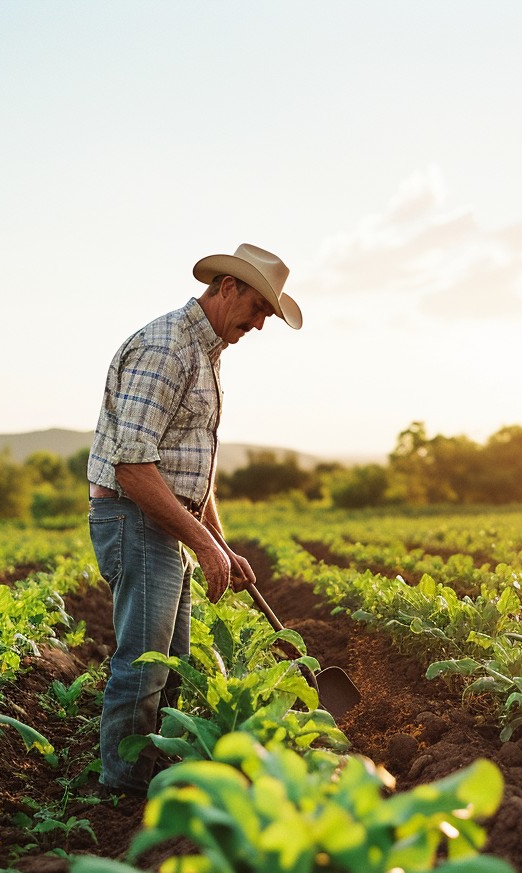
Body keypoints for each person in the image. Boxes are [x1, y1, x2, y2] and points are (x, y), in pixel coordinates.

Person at [86, 243, 302, 796]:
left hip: (165, 522)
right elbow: (133, 467)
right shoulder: (167, 348)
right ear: (227, 288)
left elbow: (189, 471)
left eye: (267, 318)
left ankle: (156, 776)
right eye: (257, 309)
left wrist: (220, 544)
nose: (258, 325)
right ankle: (124, 792)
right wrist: (204, 546)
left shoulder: (206, 356)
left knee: (174, 664)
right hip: (135, 519)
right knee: (144, 666)